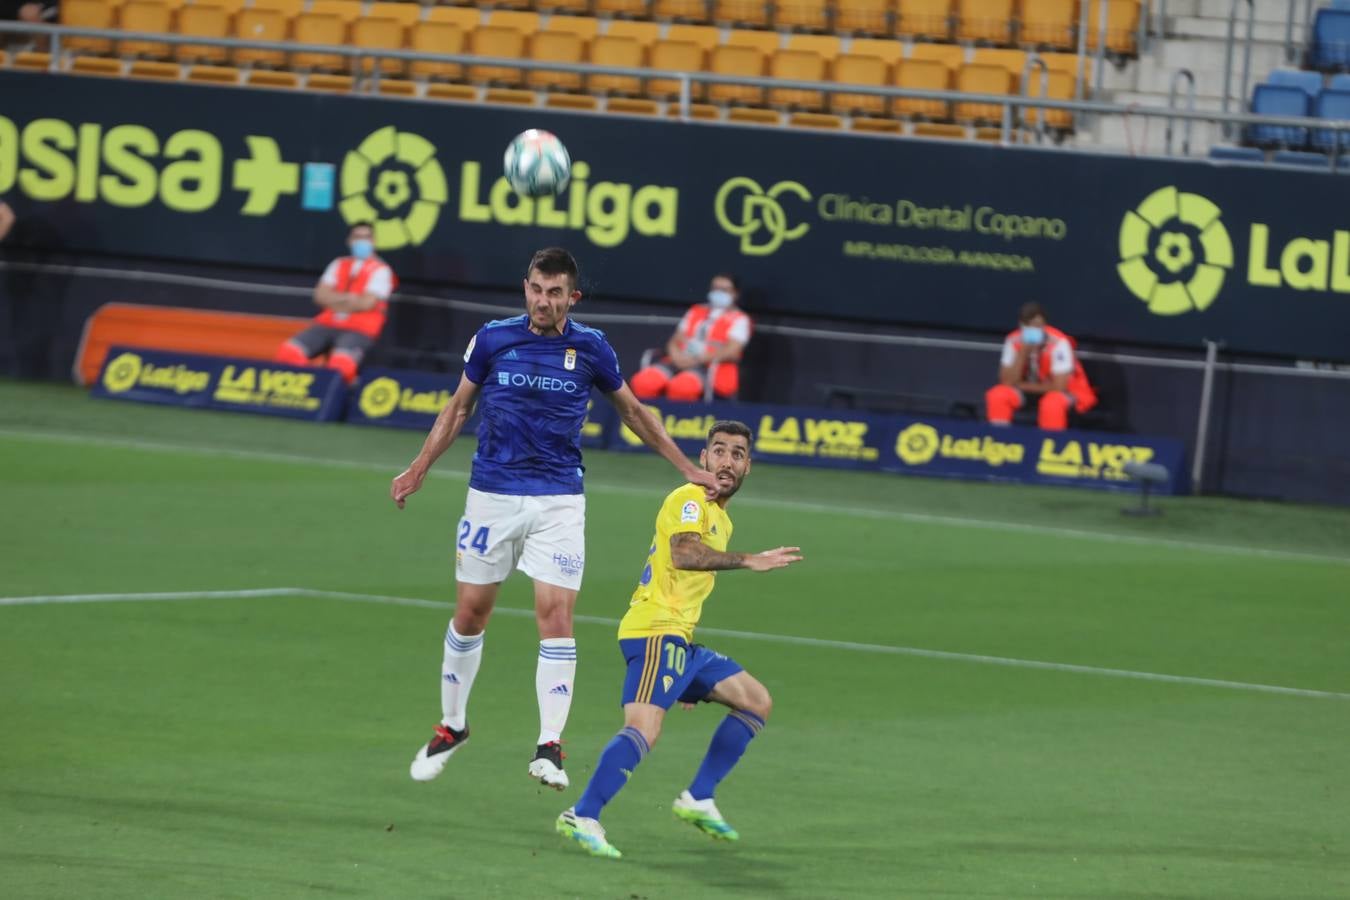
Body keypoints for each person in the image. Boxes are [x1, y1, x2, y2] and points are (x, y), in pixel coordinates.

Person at [391, 247, 719, 792]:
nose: (544, 301)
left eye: (555, 293)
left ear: (573, 297)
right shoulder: (493, 339)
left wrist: (686, 466)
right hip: (491, 495)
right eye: (537, 290)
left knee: (555, 615)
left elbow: (634, 411)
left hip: (559, 501)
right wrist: (420, 466)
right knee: (471, 614)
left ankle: (549, 746)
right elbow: (458, 408)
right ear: (526, 289)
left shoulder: (591, 348)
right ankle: (453, 725)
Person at [556, 420, 803, 859]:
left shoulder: (720, 518)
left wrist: (685, 675)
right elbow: (684, 554)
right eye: (720, 451)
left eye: (738, 454)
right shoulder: (690, 497)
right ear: (703, 458)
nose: (727, 461)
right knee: (644, 729)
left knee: (755, 700)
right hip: (654, 632)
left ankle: (698, 797)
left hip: (678, 640)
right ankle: (583, 813)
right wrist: (750, 561)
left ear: (749, 467)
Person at [275, 222, 395, 384]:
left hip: (360, 328)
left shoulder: (381, 270)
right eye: (357, 237)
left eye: (366, 237)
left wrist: (335, 299)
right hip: (328, 323)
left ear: (373, 241)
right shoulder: (339, 263)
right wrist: (349, 299)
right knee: (287, 352)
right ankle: (313, 387)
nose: (362, 241)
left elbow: (366, 303)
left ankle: (343, 393)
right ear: (349, 240)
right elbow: (320, 296)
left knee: (341, 366)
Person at [631, 273, 752, 403]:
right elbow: (675, 339)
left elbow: (732, 352)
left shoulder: (740, 319)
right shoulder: (696, 310)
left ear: (735, 293)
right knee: (643, 382)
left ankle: (673, 422)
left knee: (683, 387)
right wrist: (676, 356)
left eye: (724, 290)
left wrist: (696, 360)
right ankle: (640, 421)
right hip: (678, 360)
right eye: (715, 288)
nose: (718, 293)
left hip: (708, 367)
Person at [985, 302, 1096, 431]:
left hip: (1066, 392)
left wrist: (1020, 385)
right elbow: (1006, 381)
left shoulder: (1059, 342)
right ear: (1021, 326)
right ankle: (1000, 442)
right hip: (1031, 390)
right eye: (1028, 326)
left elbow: (1059, 387)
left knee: (1052, 403)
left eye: (1037, 326)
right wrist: (1023, 353)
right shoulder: (1013, 340)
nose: (1033, 330)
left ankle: (1050, 445)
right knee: (998, 395)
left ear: (1044, 326)